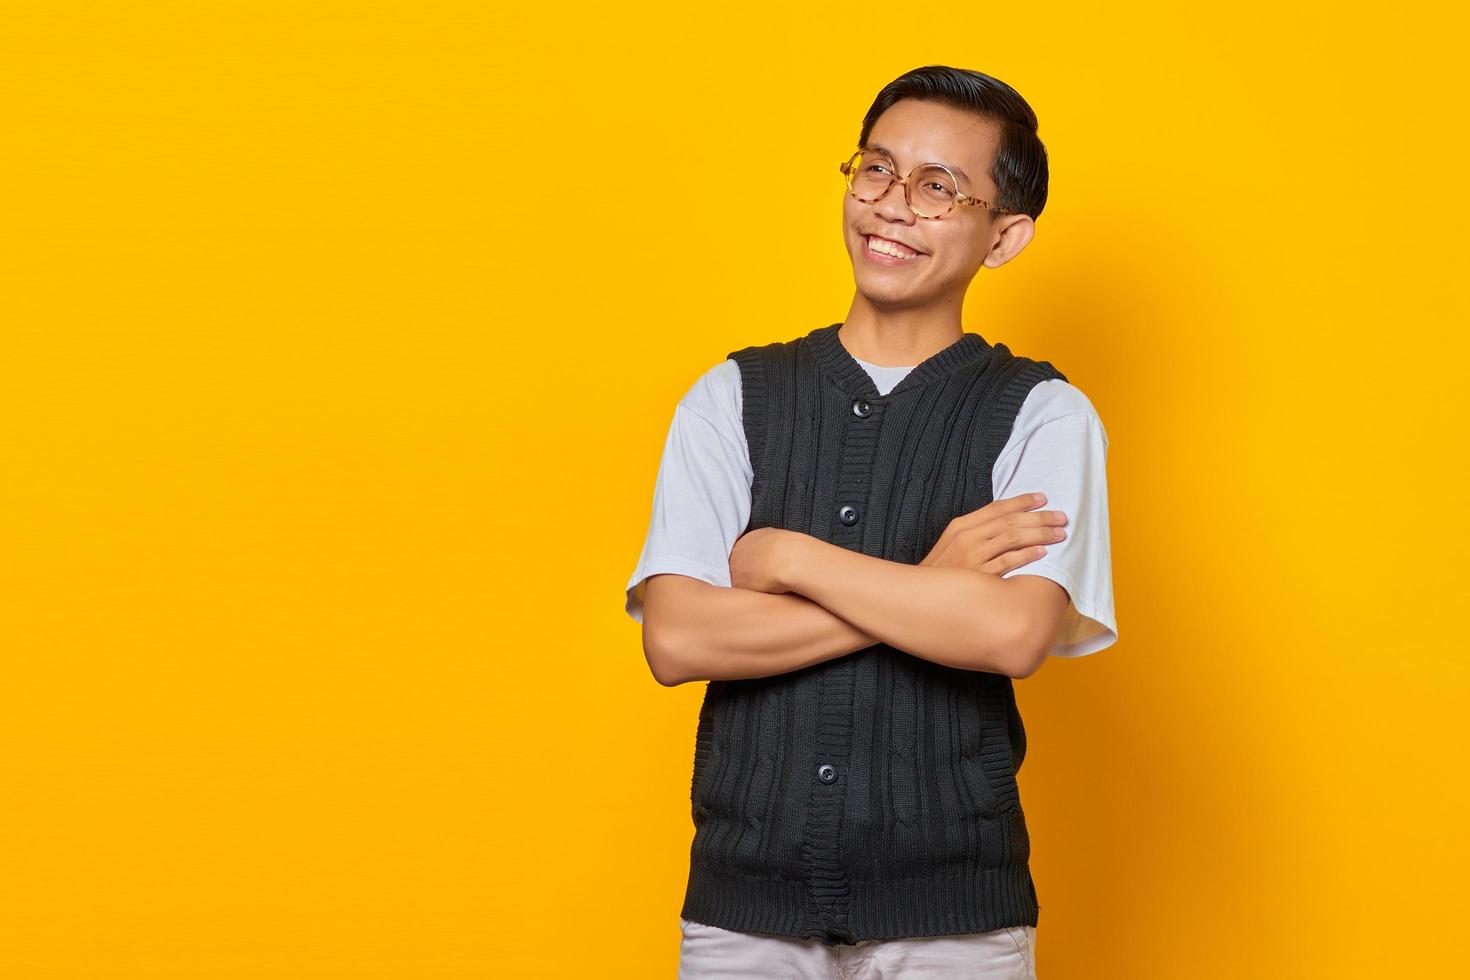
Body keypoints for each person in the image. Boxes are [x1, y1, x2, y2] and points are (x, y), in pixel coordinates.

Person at [624, 65, 1117, 979]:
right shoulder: (731, 396)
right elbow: (678, 639)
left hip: (955, 921)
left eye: (938, 188)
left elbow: (1011, 631)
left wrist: (785, 555)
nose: (891, 206)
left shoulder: (1046, 414)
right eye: (875, 170)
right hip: (745, 912)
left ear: (1004, 236)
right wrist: (931, 587)